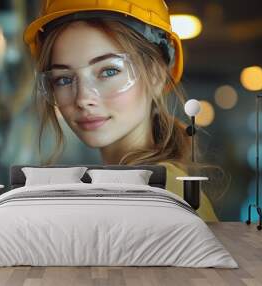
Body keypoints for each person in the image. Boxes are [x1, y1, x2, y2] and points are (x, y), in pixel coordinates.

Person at [23, 0, 218, 221]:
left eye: (108, 72)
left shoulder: (157, 195)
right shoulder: (140, 188)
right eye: (63, 79)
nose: (83, 98)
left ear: (155, 75)